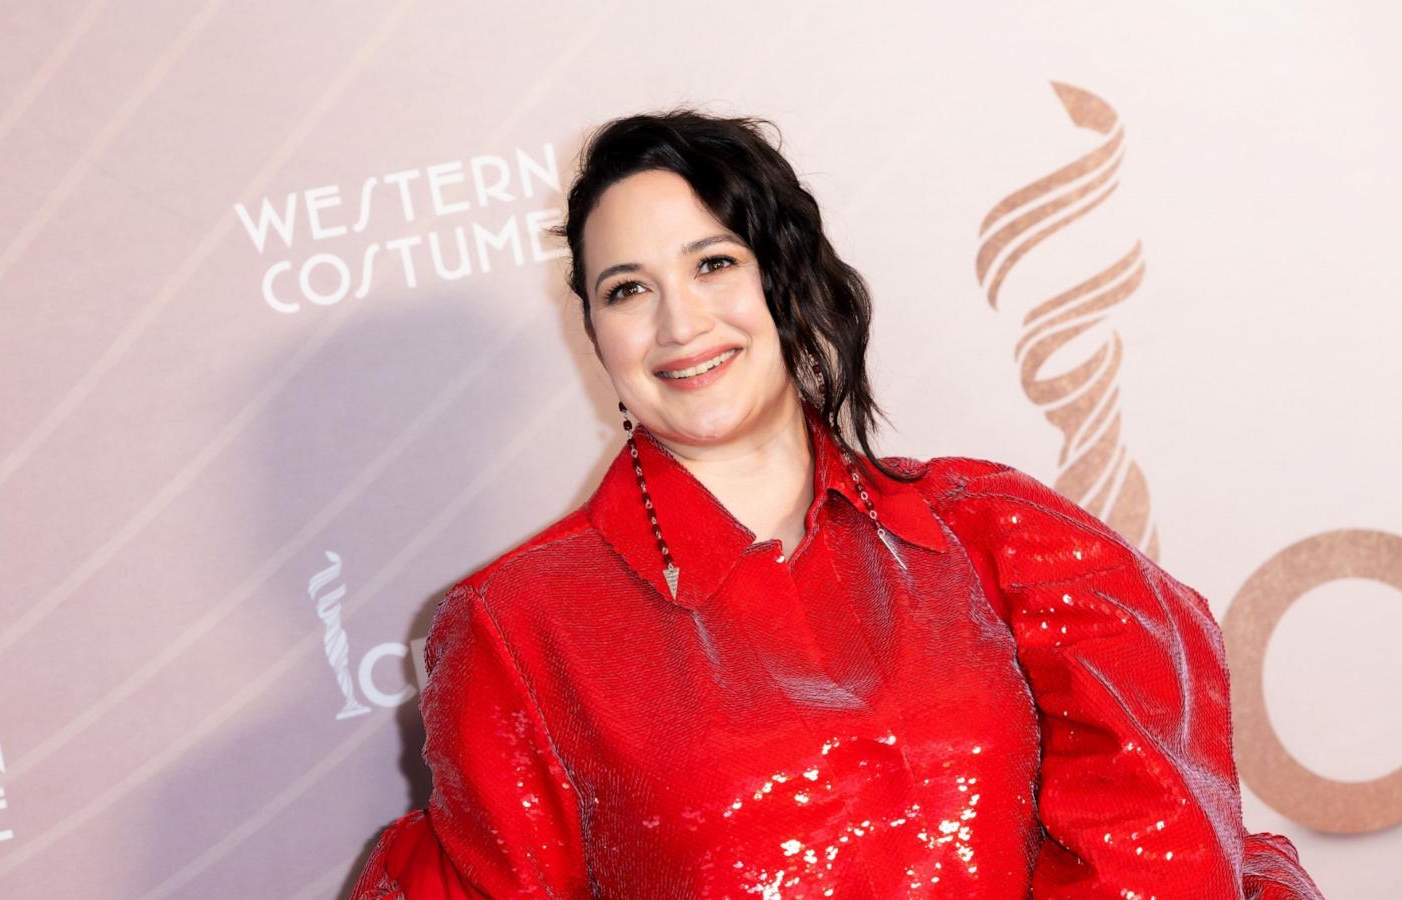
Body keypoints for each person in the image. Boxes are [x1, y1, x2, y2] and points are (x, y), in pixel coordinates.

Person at [350, 108, 1324, 899]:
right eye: (625, 289)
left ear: (786, 278)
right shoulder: (517, 631)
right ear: (595, 334)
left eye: (713, 263)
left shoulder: (992, 530)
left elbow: (1162, 843)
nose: (679, 321)